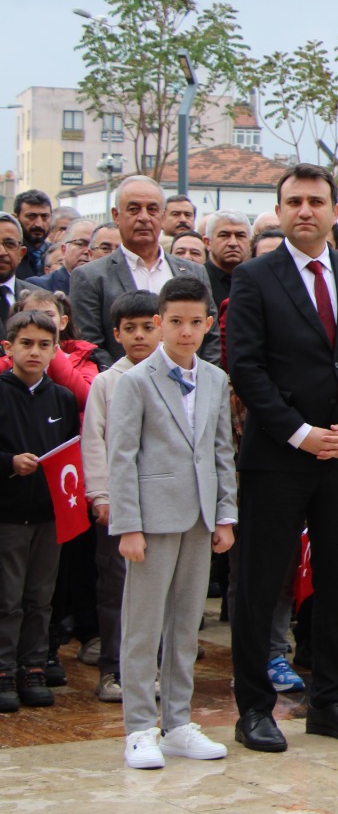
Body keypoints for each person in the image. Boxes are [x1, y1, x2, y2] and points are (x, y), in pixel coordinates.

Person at [226, 164, 338, 753]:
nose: (305, 210)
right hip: (280, 454)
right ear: (279, 210)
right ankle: (254, 709)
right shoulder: (254, 277)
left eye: (316, 201)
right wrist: (298, 432)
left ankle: (329, 700)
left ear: (334, 210)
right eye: (293, 201)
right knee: (261, 581)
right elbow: (245, 366)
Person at [106, 277, 235, 768]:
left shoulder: (216, 379)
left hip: (200, 517)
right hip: (152, 517)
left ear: (208, 324)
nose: (185, 332)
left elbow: (222, 450)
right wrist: (128, 525)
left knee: (186, 624)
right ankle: (139, 725)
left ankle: (178, 721)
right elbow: (122, 457)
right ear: (159, 324)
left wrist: (225, 514)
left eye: (194, 323)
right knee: (142, 625)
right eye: (175, 322)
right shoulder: (135, 381)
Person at [80, 291, 161, 705]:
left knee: (158, 589)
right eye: (130, 329)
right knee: (117, 588)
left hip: (163, 502)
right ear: (116, 334)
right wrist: (101, 495)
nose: (140, 336)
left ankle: (151, 670)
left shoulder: (175, 378)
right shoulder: (107, 382)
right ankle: (113, 669)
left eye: (148, 327)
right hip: (120, 502)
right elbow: (94, 440)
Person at [0, 309, 80, 714]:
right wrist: (9, 463)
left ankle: (33, 666)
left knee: (40, 598)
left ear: (55, 350)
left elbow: (70, 455)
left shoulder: (63, 399)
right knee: (7, 598)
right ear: (8, 347)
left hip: (49, 516)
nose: (34, 351)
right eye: (26, 343)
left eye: (44, 345)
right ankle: (3, 670)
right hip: (9, 516)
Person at [70, 177, 220, 365]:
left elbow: (211, 337)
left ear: (163, 216)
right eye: (134, 210)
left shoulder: (194, 272)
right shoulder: (90, 276)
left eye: (152, 209)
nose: (144, 217)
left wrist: (200, 380)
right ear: (116, 216)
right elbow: (90, 346)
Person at [33, 218, 96, 295]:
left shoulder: (107, 285)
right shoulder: (40, 286)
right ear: (64, 249)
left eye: (92, 246)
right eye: (80, 244)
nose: (87, 251)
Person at [11, 191, 53, 282]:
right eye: (31, 216)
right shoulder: (8, 255)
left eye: (44, 217)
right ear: (16, 218)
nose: (39, 224)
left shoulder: (56, 254)